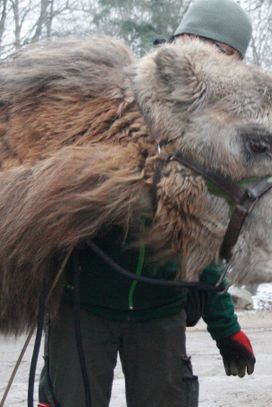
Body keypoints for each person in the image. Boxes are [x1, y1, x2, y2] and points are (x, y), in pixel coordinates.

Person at [38, 1, 255, 407]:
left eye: (232, 64)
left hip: (161, 310)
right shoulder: (112, 98)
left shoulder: (214, 138)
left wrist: (225, 327)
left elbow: (203, 240)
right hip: (83, 301)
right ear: (184, 44)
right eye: (216, 55)